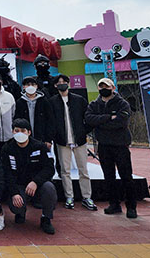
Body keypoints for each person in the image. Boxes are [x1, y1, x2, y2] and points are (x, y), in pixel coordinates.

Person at [85, 78, 136, 218]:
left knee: (126, 176)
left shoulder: (122, 104)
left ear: (113, 88)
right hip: (103, 146)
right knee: (109, 177)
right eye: (101, 87)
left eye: (106, 86)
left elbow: (121, 122)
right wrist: (109, 117)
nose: (104, 89)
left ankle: (131, 207)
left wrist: (100, 122)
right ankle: (114, 204)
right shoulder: (94, 104)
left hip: (120, 145)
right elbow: (89, 119)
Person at [50, 74, 97, 211]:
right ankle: (69, 197)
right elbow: (50, 121)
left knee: (83, 170)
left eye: (64, 81)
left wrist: (84, 131)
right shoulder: (52, 102)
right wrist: (56, 135)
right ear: (55, 85)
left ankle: (87, 197)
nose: (62, 84)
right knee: (65, 171)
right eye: (59, 82)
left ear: (69, 83)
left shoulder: (79, 100)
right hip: (62, 141)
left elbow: (88, 117)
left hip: (79, 140)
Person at [1, 119, 56, 235]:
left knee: (49, 188)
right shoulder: (7, 148)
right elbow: (7, 173)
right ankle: (20, 213)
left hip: (38, 185)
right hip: (19, 185)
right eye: (16, 131)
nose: (19, 133)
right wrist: (14, 193)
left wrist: (35, 182)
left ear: (29, 132)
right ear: (12, 132)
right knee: (16, 206)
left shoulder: (40, 147)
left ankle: (46, 218)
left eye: (23, 131)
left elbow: (50, 168)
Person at [14, 77, 54, 149]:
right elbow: (17, 120)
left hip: (41, 138)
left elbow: (50, 120)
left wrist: (48, 139)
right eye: (28, 85)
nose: (30, 87)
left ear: (37, 86)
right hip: (25, 138)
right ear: (24, 87)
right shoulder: (20, 102)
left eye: (33, 84)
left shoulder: (44, 101)